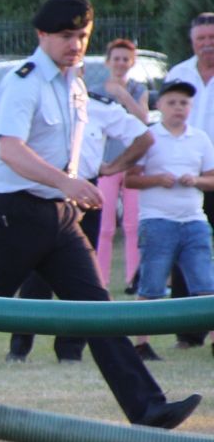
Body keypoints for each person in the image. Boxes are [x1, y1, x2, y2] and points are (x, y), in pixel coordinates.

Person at [0, 0, 198, 442]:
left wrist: (71, 188)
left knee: (98, 313)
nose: (75, 44)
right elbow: (7, 148)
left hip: (59, 216)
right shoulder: (23, 82)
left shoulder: (76, 83)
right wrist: (67, 183)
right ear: (42, 36)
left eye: (82, 36)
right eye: (66, 36)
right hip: (14, 213)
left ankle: (148, 409)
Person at [8, 83, 148, 363]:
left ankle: (71, 350)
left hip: (85, 195)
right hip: (46, 195)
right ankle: (19, 348)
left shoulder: (98, 106)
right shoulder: (36, 98)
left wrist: (111, 167)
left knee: (81, 280)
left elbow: (143, 136)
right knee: (35, 278)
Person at [127, 81, 214, 353]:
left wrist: (197, 179)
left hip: (193, 219)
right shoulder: (148, 137)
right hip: (157, 219)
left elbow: (211, 178)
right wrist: (156, 179)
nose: (178, 108)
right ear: (159, 105)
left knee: (206, 283)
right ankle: (142, 343)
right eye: (172, 102)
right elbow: (130, 178)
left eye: (184, 103)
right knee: (152, 283)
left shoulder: (200, 139)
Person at [160, 13, 214, 346]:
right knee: (185, 248)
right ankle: (189, 332)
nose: (207, 45)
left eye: (212, 39)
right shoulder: (179, 74)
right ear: (192, 41)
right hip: (187, 176)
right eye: (201, 40)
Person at [92, 38, 149, 295]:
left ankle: (132, 278)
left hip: (133, 164)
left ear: (132, 62)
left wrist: (123, 95)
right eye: (116, 58)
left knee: (132, 224)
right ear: (107, 61)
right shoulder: (94, 90)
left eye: (126, 59)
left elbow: (142, 120)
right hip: (106, 164)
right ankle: (99, 279)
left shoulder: (138, 89)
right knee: (104, 226)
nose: (121, 63)